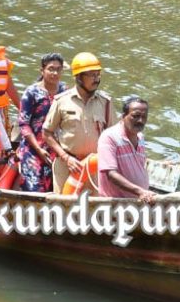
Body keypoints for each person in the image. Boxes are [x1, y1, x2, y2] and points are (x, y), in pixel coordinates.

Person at [42, 52, 116, 193]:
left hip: (94, 168)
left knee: (94, 205)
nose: (96, 79)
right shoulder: (62, 101)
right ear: (79, 77)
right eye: (92, 75)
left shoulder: (105, 103)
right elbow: (47, 133)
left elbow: (114, 136)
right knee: (63, 204)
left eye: (98, 74)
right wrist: (65, 157)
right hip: (67, 165)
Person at [15, 53, 67, 193]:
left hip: (56, 149)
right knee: (33, 189)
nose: (55, 73)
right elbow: (23, 124)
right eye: (51, 69)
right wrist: (38, 149)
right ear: (42, 71)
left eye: (58, 69)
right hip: (33, 148)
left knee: (56, 190)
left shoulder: (64, 91)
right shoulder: (31, 93)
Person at [97, 96, 155, 203]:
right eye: (135, 116)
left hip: (138, 201)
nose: (140, 120)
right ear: (123, 116)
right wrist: (140, 191)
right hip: (116, 204)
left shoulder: (140, 137)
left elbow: (138, 163)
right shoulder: (109, 137)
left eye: (144, 117)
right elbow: (111, 174)